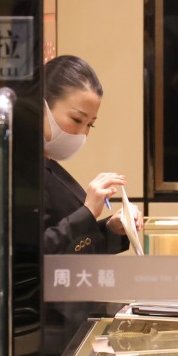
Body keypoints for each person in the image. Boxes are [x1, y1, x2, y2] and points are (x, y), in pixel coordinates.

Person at [42, 55, 141, 255]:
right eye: (77, 119)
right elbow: (28, 258)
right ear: (41, 108)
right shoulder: (12, 169)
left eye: (90, 124)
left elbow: (71, 247)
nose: (83, 133)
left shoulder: (49, 166)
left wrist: (112, 229)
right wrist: (87, 212)